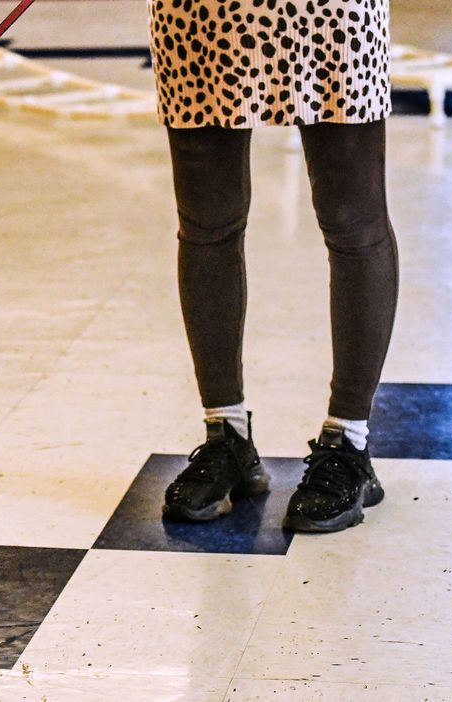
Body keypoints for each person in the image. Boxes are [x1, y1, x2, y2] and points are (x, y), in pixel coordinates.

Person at [150, 0, 399, 532]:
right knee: (206, 221)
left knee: (353, 220)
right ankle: (227, 435)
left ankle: (350, 443)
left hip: (330, 12)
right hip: (200, 14)